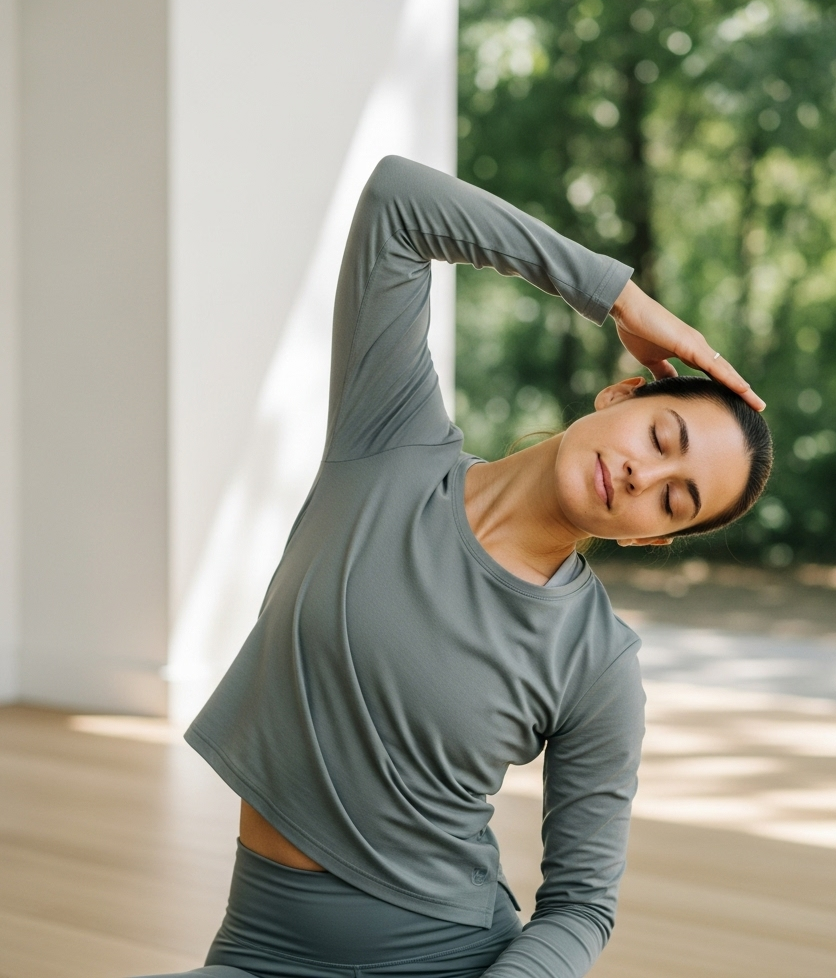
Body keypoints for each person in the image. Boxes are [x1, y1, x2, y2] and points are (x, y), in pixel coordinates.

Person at [138, 157, 771, 978]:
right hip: (258, 946)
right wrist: (618, 296)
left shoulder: (595, 662)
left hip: (447, 961)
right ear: (620, 396)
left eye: (674, 501)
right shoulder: (388, 439)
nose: (642, 477)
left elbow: (581, 906)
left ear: (652, 539)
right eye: (660, 438)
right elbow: (398, 203)